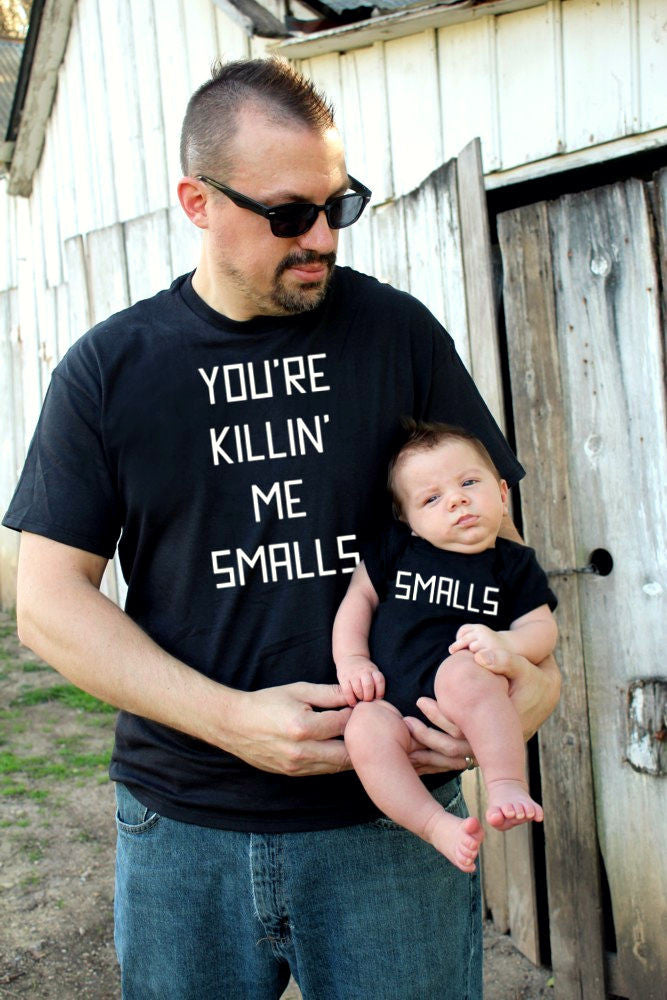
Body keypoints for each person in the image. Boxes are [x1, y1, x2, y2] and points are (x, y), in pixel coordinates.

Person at [3, 58, 560, 1000]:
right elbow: (49, 605)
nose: (322, 240)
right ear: (197, 201)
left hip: (389, 821)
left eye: (338, 208)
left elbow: (500, 543)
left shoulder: (398, 335)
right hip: (182, 827)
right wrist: (232, 722)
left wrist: (528, 675)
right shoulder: (109, 371)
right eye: (290, 213)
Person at [333, 421, 558, 873]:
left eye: (469, 483)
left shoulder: (512, 564)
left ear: (502, 493)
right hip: (389, 701)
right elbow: (357, 600)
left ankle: (507, 784)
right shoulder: (397, 549)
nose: (456, 500)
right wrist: (352, 659)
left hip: (457, 690)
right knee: (363, 730)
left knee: (464, 673)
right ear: (408, 520)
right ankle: (436, 825)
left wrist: (504, 643)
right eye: (431, 499)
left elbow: (542, 631)